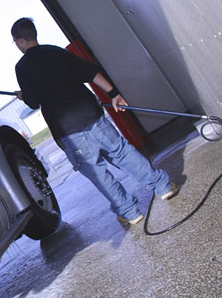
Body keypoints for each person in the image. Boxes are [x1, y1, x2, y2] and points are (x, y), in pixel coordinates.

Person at [11, 17, 178, 225]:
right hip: (92, 115)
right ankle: (163, 187)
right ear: (33, 34)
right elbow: (90, 72)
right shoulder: (56, 51)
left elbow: (34, 102)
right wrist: (114, 93)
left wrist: (23, 95)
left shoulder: (23, 67)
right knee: (122, 153)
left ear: (19, 41)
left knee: (98, 172)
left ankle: (129, 212)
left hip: (69, 131)